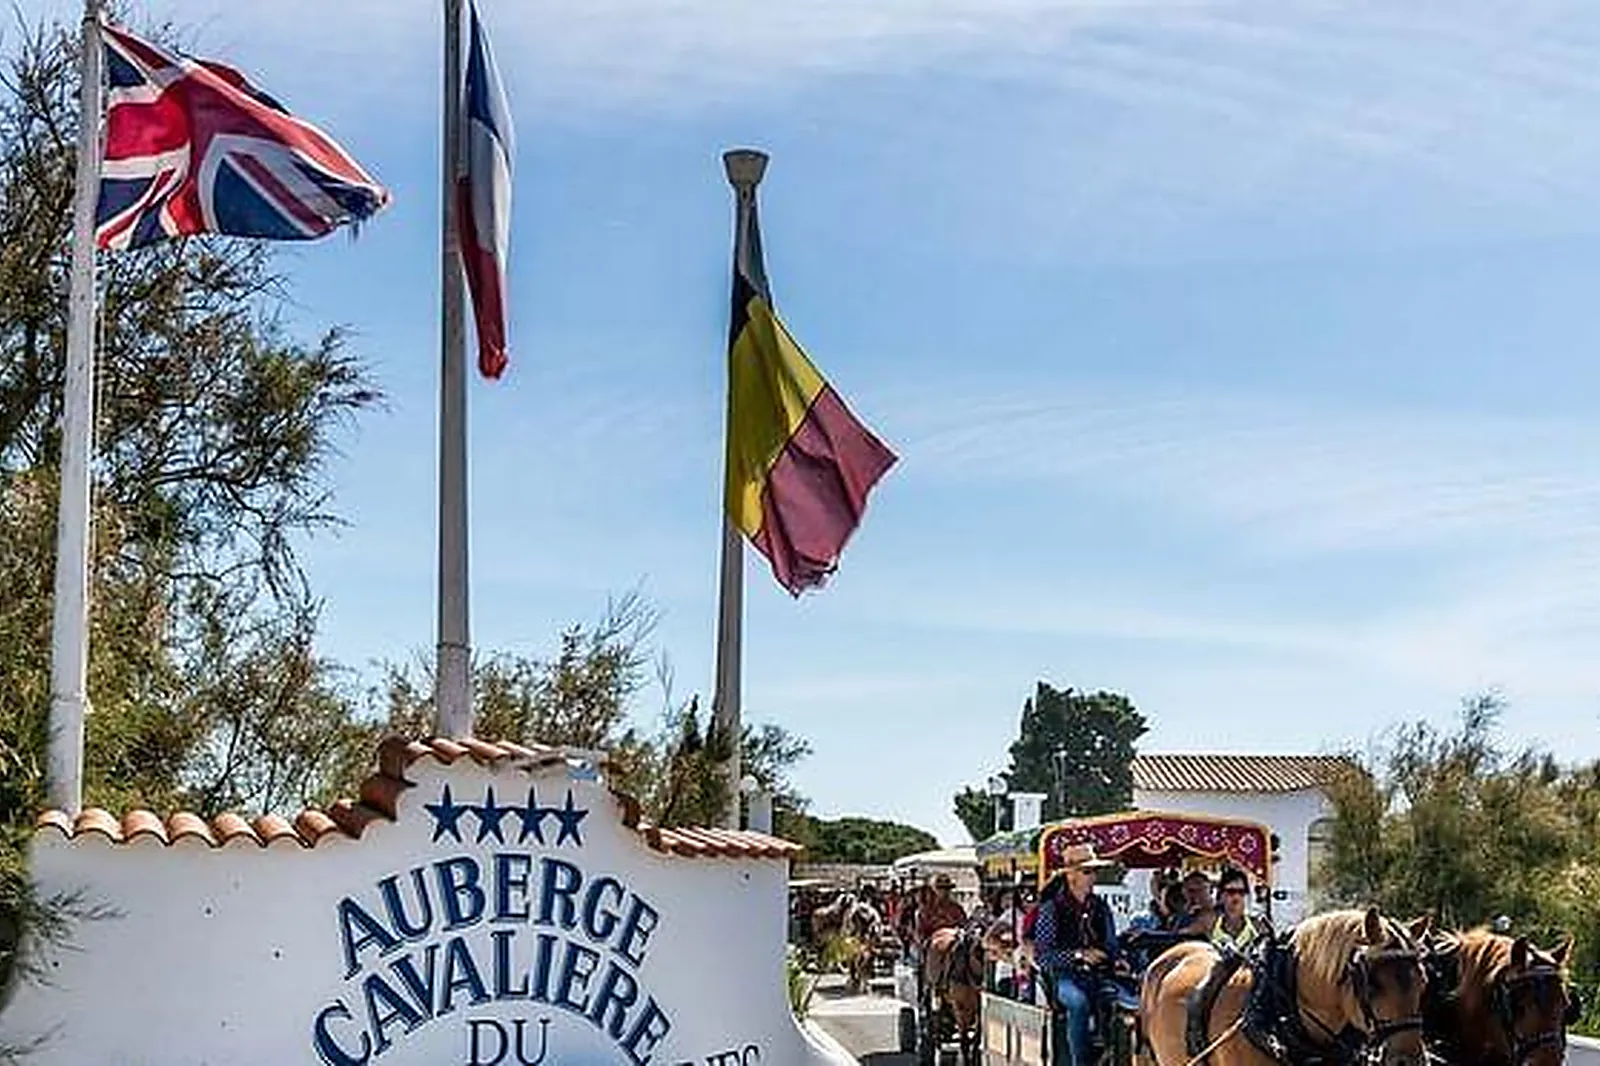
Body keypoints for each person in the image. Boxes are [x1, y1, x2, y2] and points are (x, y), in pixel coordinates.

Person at [1032, 844, 1120, 1066]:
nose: (1093, 877)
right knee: (1078, 1003)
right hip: (1064, 977)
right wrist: (1079, 956)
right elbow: (1043, 957)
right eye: (1087, 871)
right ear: (1071, 875)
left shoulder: (1101, 907)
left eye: (1094, 871)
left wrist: (1114, 958)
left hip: (1099, 974)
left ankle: (1115, 1053)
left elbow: (1111, 944)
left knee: (1123, 1001)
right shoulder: (1051, 908)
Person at [1205, 867, 1272, 952]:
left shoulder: (1258, 928)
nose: (1236, 898)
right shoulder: (1209, 925)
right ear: (1221, 895)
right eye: (1231, 892)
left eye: (1241, 892)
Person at [916, 873, 968, 945]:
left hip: (956, 938)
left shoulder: (957, 908)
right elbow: (922, 934)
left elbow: (963, 923)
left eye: (947, 888)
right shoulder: (926, 910)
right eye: (940, 888)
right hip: (934, 941)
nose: (944, 891)